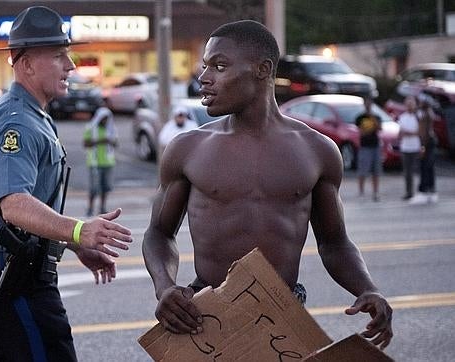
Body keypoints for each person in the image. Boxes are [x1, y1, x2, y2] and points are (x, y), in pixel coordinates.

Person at [142, 20, 393, 350]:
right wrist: (166, 287)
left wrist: (367, 288)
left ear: (262, 70)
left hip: (284, 313)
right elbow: (159, 233)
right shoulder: (188, 148)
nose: (204, 78)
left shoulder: (317, 151)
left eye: (219, 66)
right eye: (205, 66)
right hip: (204, 312)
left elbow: (334, 243)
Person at [0, 6, 133, 361]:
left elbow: (27, 205)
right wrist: (78, 231)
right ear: (25, 64)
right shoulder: (18, 123)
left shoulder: (31, 114)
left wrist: (72, 244)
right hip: (14, 273)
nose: (70, 65)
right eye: (58, 56)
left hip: (8, 264)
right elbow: (14, 204)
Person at [83, 107, 118, 216]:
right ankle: (90, 208)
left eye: (107, 119)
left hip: (108, 162)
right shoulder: (91, 128)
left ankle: (102, 207)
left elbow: (116, 143)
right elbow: (86, 144)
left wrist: (111, 142)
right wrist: (101, 141)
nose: (105, 121)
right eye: (103, 119)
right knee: (94, 188)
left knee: (105, 187)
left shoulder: (111, 129)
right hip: (95, 162)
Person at [354, 97, 382, 201]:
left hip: (375, 146)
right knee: (363, 170)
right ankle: (361, 192)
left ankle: (376, 192)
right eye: (366, 103)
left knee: (376, 171)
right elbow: (360, 131)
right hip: (365, 147)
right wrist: (367, 131)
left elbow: (379, 128)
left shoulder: (377, 117)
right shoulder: (360, 117)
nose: (368, 105)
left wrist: (372, 117)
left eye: (370, 104)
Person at [397, 95, 423, 203]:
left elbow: (420, 132)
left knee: (419, 170)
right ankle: (409, 192)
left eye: (411, 104)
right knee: (407, 172)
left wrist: (409, 133)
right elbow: (400, 133)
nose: (410, 106)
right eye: (408, 104)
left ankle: (422, 190)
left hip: (416, 147)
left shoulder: (419, 116)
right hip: (406, 147)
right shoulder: (402, 117)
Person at [416, 93, 438, 203]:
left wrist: (423, 146)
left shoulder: (426, 114)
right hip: (427, 142)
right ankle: (431, 190)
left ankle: (424, 190)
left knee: (425, 166)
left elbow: (426, 133)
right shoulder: (424, 113)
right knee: (428, 167)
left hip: (428, 143)